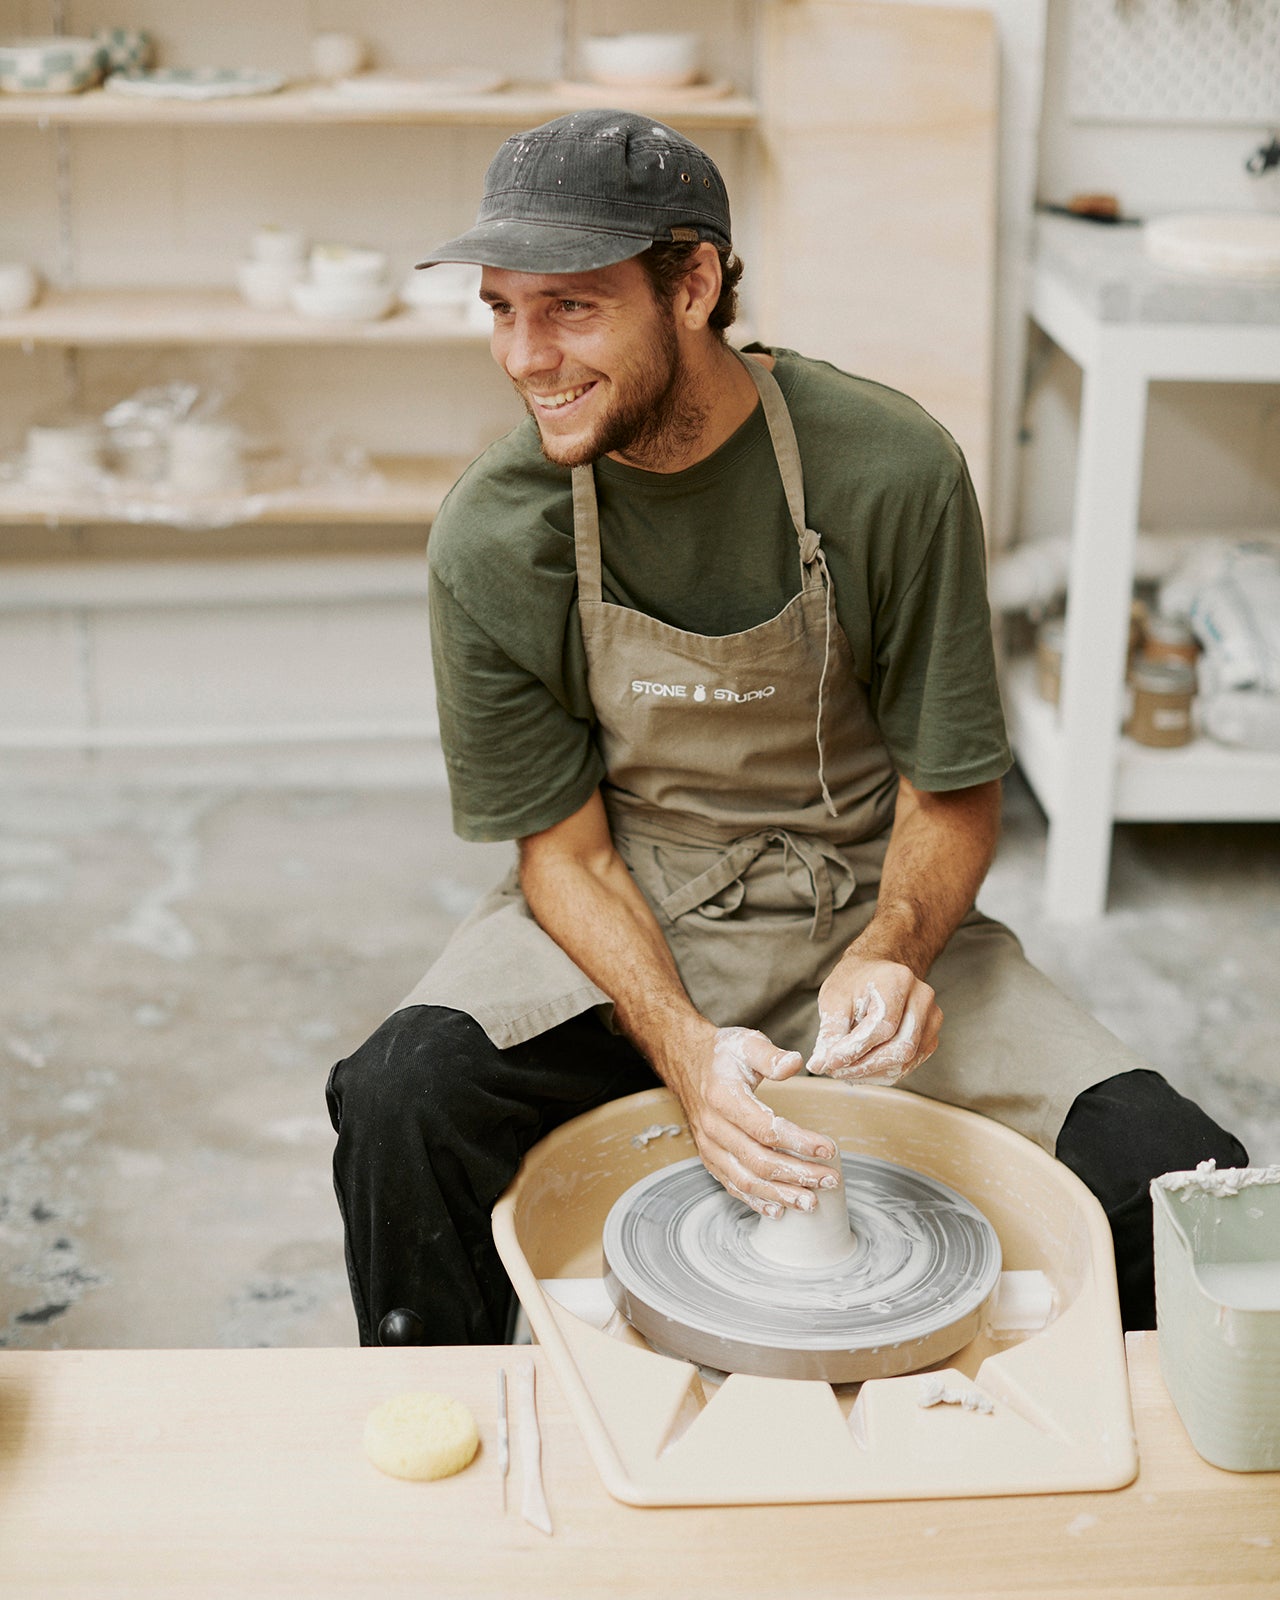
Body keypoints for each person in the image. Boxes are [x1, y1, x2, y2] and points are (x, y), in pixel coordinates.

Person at [326, 111, 1245, 1348]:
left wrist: (893, 951)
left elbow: (952, 787)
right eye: (501, 309)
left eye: (571, 308)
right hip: (633, 915)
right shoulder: (495, 535)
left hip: (868, 910)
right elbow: (566, 854)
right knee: (400, 1099)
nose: (525, 356)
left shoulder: (887, 469)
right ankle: (469, 1455)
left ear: (691, 283)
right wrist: (684, 1048)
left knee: (1183, 1186)